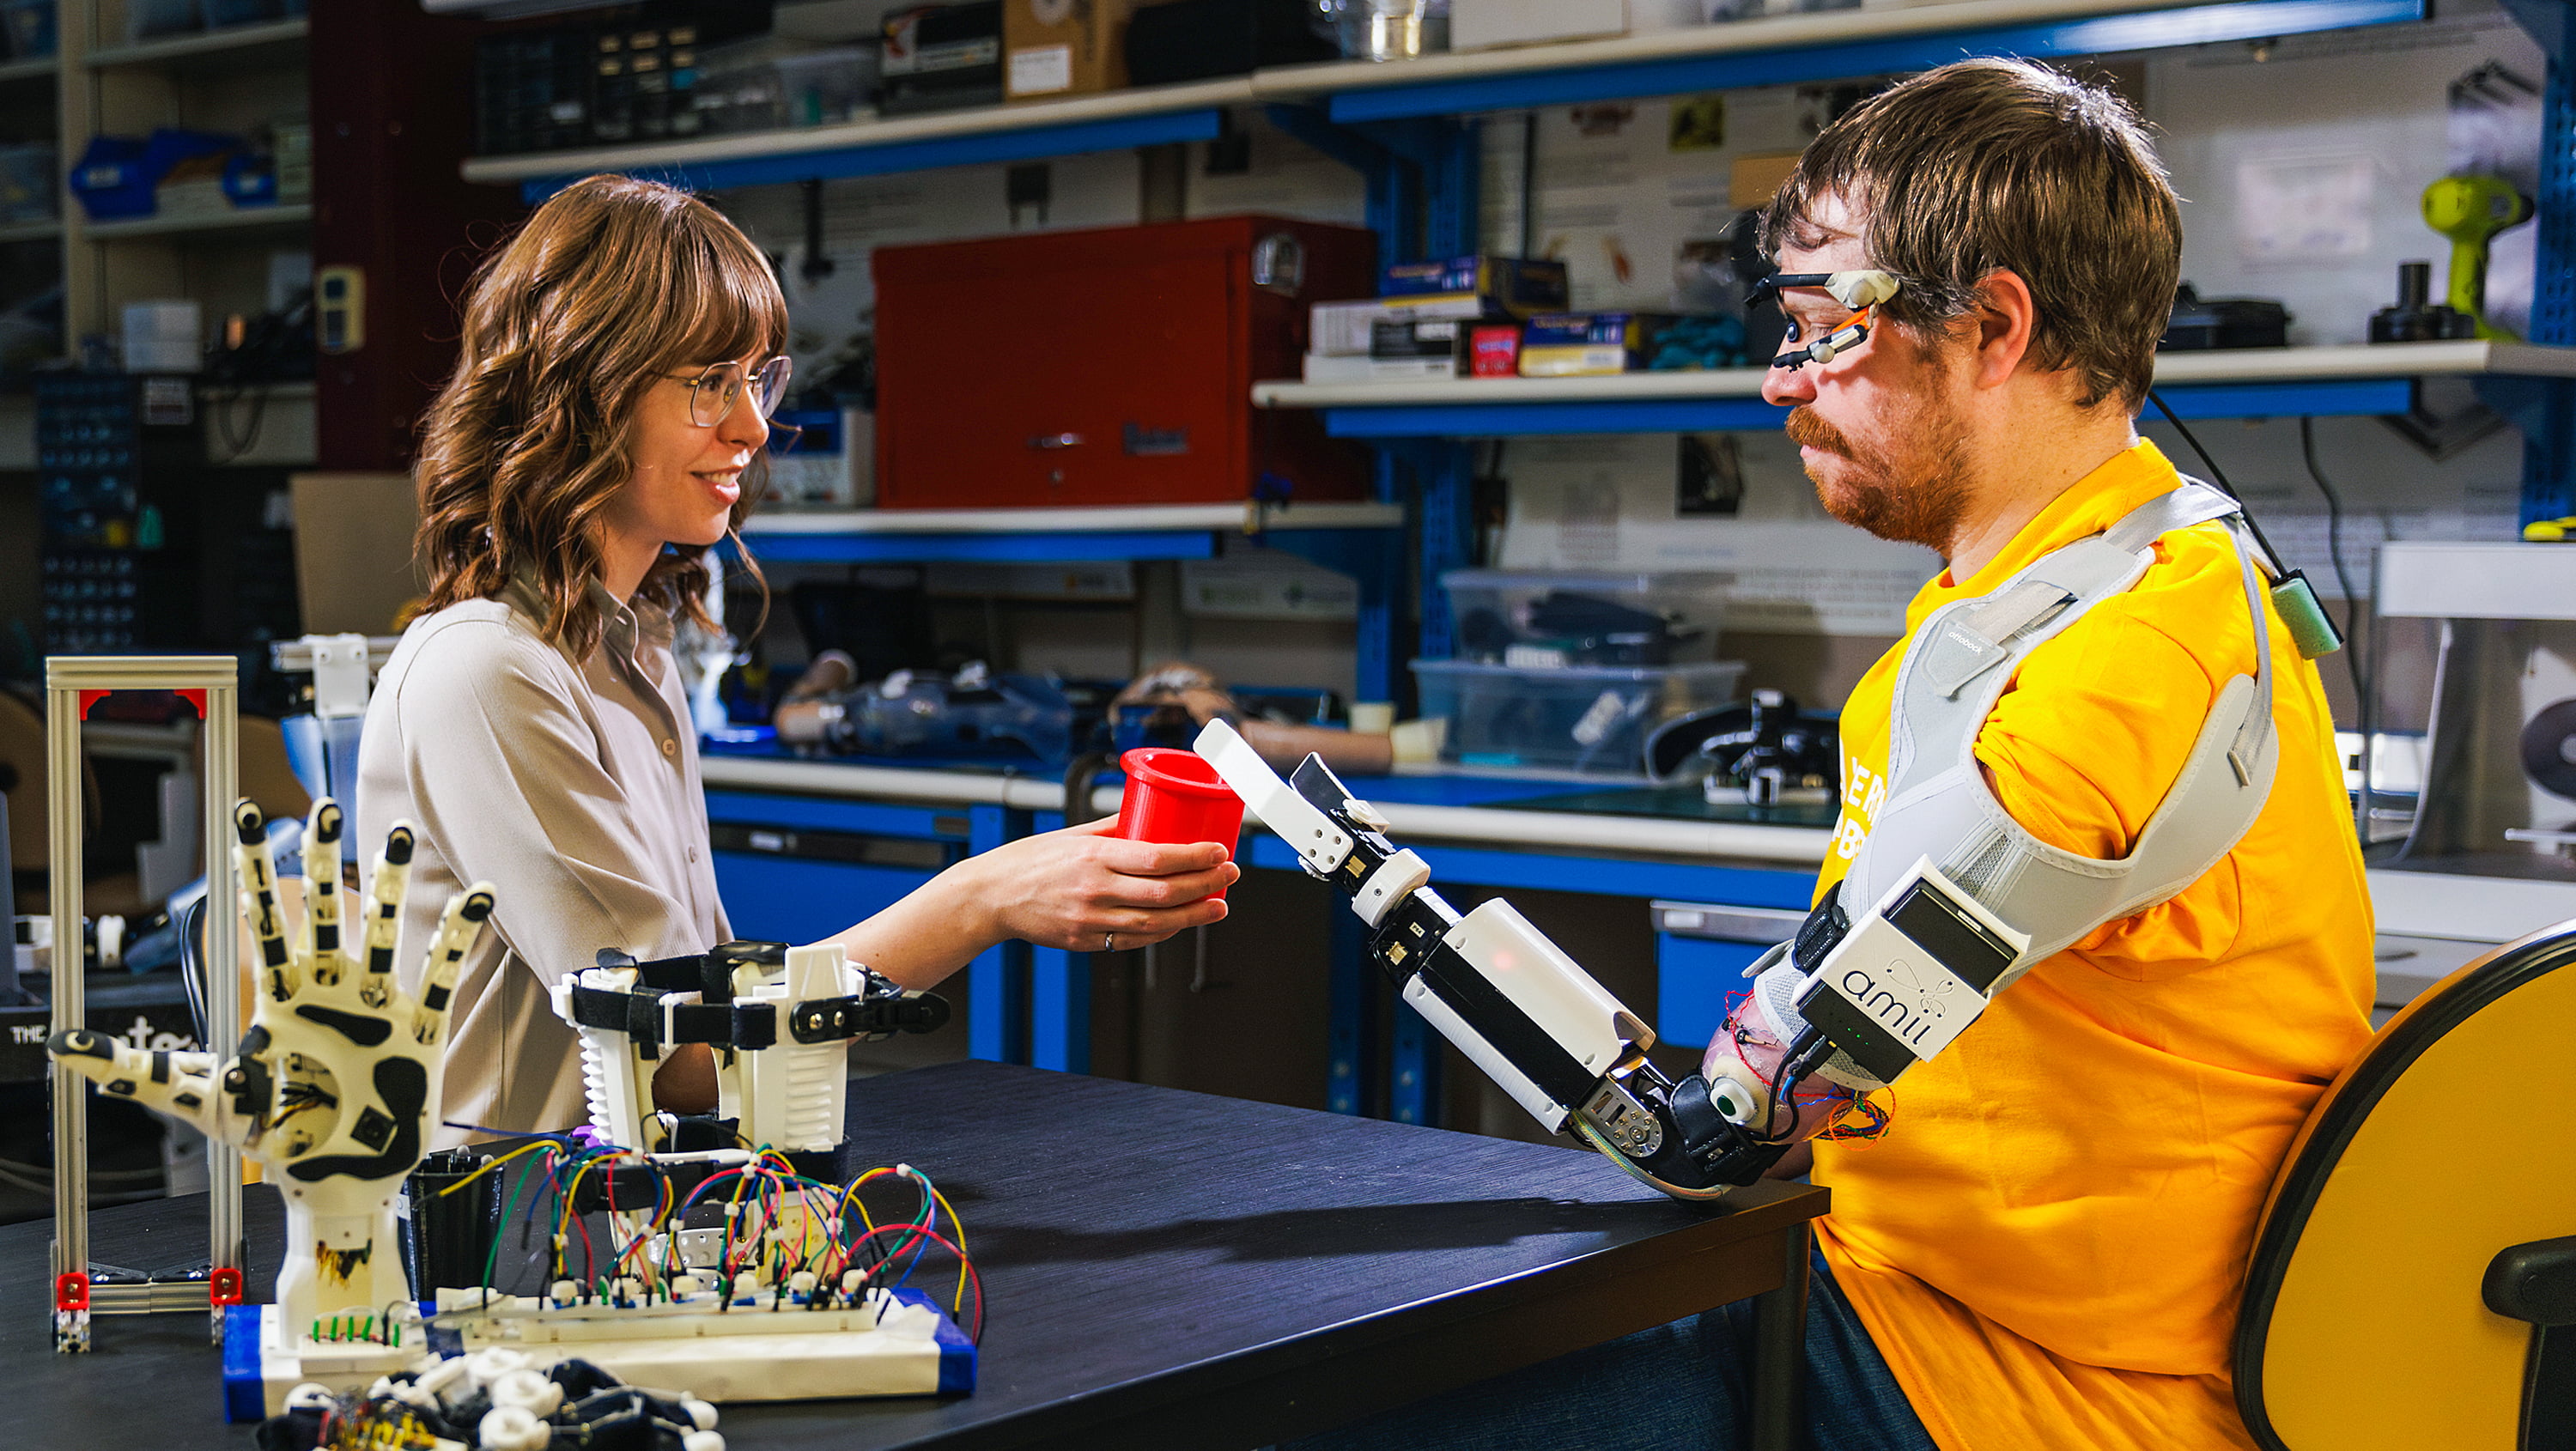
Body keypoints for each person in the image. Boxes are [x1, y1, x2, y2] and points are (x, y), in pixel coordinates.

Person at [1291, 58, 2372, 1451]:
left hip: (2018, 1391)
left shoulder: (2124, 661)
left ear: (1991, 325)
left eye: (1817, 331)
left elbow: (1733, 1118)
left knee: (1344, 1404)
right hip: (1880, 1278)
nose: (1774, 381)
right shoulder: (2055, 591)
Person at [356, 175, 1237, 1141]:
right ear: (584, 391)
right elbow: (684, 1062)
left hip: (632, 1230)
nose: (752, 427)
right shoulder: (487, 674)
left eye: (756, 379)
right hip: (506, 1255)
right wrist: (984, 897)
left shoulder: (632, 656)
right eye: (707, 385)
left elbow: (715, 1008)